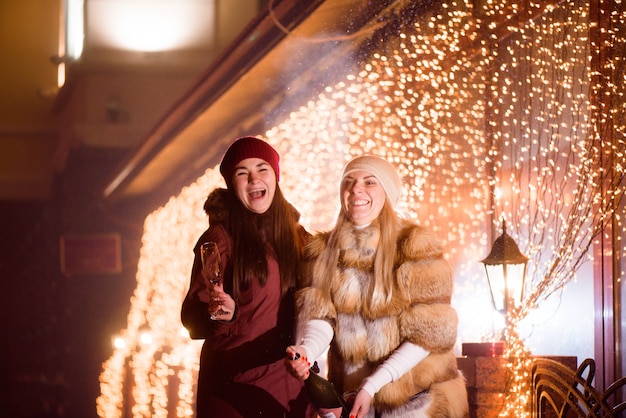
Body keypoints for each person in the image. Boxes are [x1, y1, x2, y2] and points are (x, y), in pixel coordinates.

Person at [285, 155, 469, 418]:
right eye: (349, 182)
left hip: (420, 403)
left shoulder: (415, 245)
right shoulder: (321, 252)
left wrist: (373, 385)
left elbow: (429, 335)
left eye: (370, 182)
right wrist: (306, 352)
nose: (356, 188)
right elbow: (320, 318)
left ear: (387, 193)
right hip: (357, 403)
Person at [182, 136, 310, 417]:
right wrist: (220, 316)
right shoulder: (220, 239)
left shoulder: (299, 238)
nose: (253, 179)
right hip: (237, 390)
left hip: (294, 386)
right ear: (232, 184)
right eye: (242, 172)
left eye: (262, 168)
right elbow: (192, 316)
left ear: (275, 177)